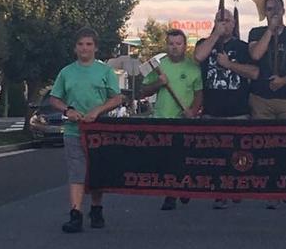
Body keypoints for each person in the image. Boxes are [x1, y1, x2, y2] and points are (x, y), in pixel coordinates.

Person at [50, 27, 123, 233]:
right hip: (75, 129)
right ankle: (75, 214)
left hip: (99, 130)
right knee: (77, 173)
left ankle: (97, 208)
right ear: (75, 48)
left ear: (96, 47)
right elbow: (55, 98)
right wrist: (68, 110)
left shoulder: (105, 71)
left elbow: (116, 97)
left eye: (89, 44)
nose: (85, 48)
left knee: (97, 171)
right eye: (81, 44)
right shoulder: (66, 72)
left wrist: (98, 110)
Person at [195, 8, 259, 210]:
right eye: (219, 20)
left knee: (238, 153)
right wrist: (215, 34)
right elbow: (198, 57)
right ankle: (219, 192)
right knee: (215, 154)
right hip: (212, 110)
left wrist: (229, 65)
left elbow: (254, 72)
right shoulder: (205, 43)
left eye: (228, 21)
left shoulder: (242, 47)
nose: (224, 24)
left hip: (238, 109)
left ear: (234, 24)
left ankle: (236, 188)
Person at [140, 29, 203, 211]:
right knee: (165, 159)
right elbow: (144, 91)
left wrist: (193, 110)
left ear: (184, 46)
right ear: (166, 45)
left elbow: (199, 94)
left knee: (183, 158)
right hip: (162, 119)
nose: (174, 47)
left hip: (183, 120)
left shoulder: (193, 68)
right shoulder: (159, 67)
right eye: (171, 44)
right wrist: (158, 83)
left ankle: (183, 187)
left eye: (178, 44)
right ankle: (170, 193)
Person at [248, 0, 286, 120]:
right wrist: (270, 30)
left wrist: (283, 80)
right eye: (269, 9)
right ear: (265, 13)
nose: (274, 13)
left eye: (277, 9)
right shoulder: (256, 33)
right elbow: (256, 55)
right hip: (261, 99)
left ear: (283, 11)